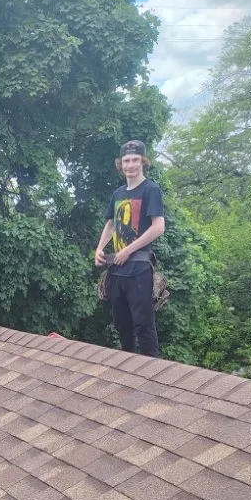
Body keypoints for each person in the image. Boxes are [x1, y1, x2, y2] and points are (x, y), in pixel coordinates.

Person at [95, 140, 165, 357]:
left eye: (135, 160)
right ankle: (127, 371)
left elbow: (158, 227)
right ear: (120, 164)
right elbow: (111, 224)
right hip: (116, 268)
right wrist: (99, 248)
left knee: (143, 325)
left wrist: (129, 250)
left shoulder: (151, 190)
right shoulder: (118, 194)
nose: (130, 165)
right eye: (126, 161)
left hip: (139, 267)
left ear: (143, 162)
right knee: (121, 325)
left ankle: (151, 372)